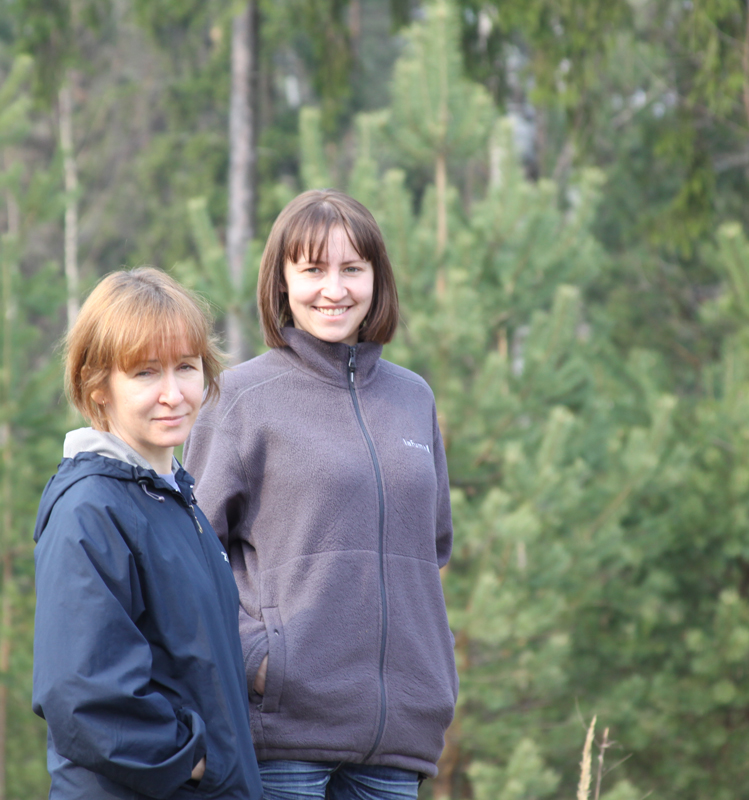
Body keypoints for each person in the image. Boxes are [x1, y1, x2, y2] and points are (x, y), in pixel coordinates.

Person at [185, 189, 457, 800]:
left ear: (376, 279)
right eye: (312, 269)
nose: (334, 289)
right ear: (282, 282)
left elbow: (431, 550)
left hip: (397, 739)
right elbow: (192, 557)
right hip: (284, 738)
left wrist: (434, 673)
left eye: (352, 268)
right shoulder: (240, 399)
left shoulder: (414, 398)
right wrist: (260, 661)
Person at [32, 267, 263, 800]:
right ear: (97, 385)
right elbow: (84, 697)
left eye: (186, 367)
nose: (173, 393)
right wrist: (201, 764)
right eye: (145, 373)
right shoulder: (91, 508)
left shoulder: (173, 498)